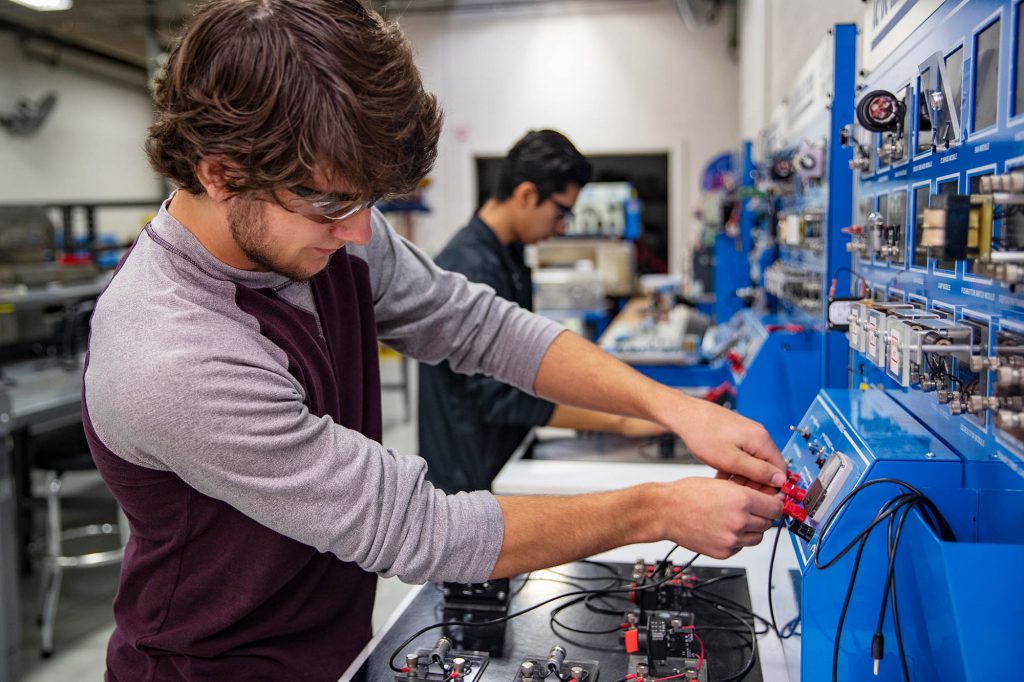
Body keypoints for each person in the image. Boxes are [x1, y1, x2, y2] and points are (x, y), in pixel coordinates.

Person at [82, 1, 786, 679]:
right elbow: (419, 529)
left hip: (336, 646)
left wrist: (674, 408)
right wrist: (657, 508)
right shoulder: (170, 354)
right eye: (332, 203)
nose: (360, 232)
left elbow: (479, 325)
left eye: (367, 201)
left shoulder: (329, 230)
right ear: (221, 173)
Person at [419, 129, 667, 493]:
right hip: (468, 475)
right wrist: (620, 421)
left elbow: (522, 360)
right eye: (561, 211)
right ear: (526, 194)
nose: (562, 227)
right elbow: (497, 395)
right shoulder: (468, 267)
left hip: (499, 454)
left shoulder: (509, 256)